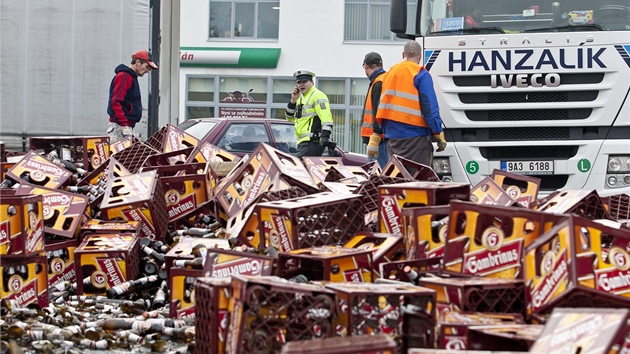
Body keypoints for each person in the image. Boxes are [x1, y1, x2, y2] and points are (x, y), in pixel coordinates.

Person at [375, 41, 447, 170]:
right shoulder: (421, 74)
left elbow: (383, 104)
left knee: (399, 178)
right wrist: (437, 132)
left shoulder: (389, 74)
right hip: (415, 138)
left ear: (403, 54)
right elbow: (429, 107)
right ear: (420, 57)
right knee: (419, 180)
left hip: (392, 138)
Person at [106, 50, 158, 143]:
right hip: (120, 127)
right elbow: (115, 101)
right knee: (120, 157)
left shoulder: (130, 77)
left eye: (149, 69)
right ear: (137, 62)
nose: (147, 71)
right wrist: (124, 125)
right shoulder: (124, 76)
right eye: (147, 67)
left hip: (124, 126)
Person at [285, 69, 334, 158]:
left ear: (312, 82)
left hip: (312, 142)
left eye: (304, 81)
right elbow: (289, 117)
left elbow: (327, 119)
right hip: (303, 143)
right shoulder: (300, 99)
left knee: (295, 165)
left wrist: (325, 137)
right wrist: (293, 101)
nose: (301, 84)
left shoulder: (317, 95)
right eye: (299, 82)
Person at [360, 52, 389, 169]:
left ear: (366, 66)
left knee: (378, 176)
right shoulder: (384, 79)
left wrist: (375, 136)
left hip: (378, 140)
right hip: (382, 138)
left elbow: (378, 111)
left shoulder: (378, 83)